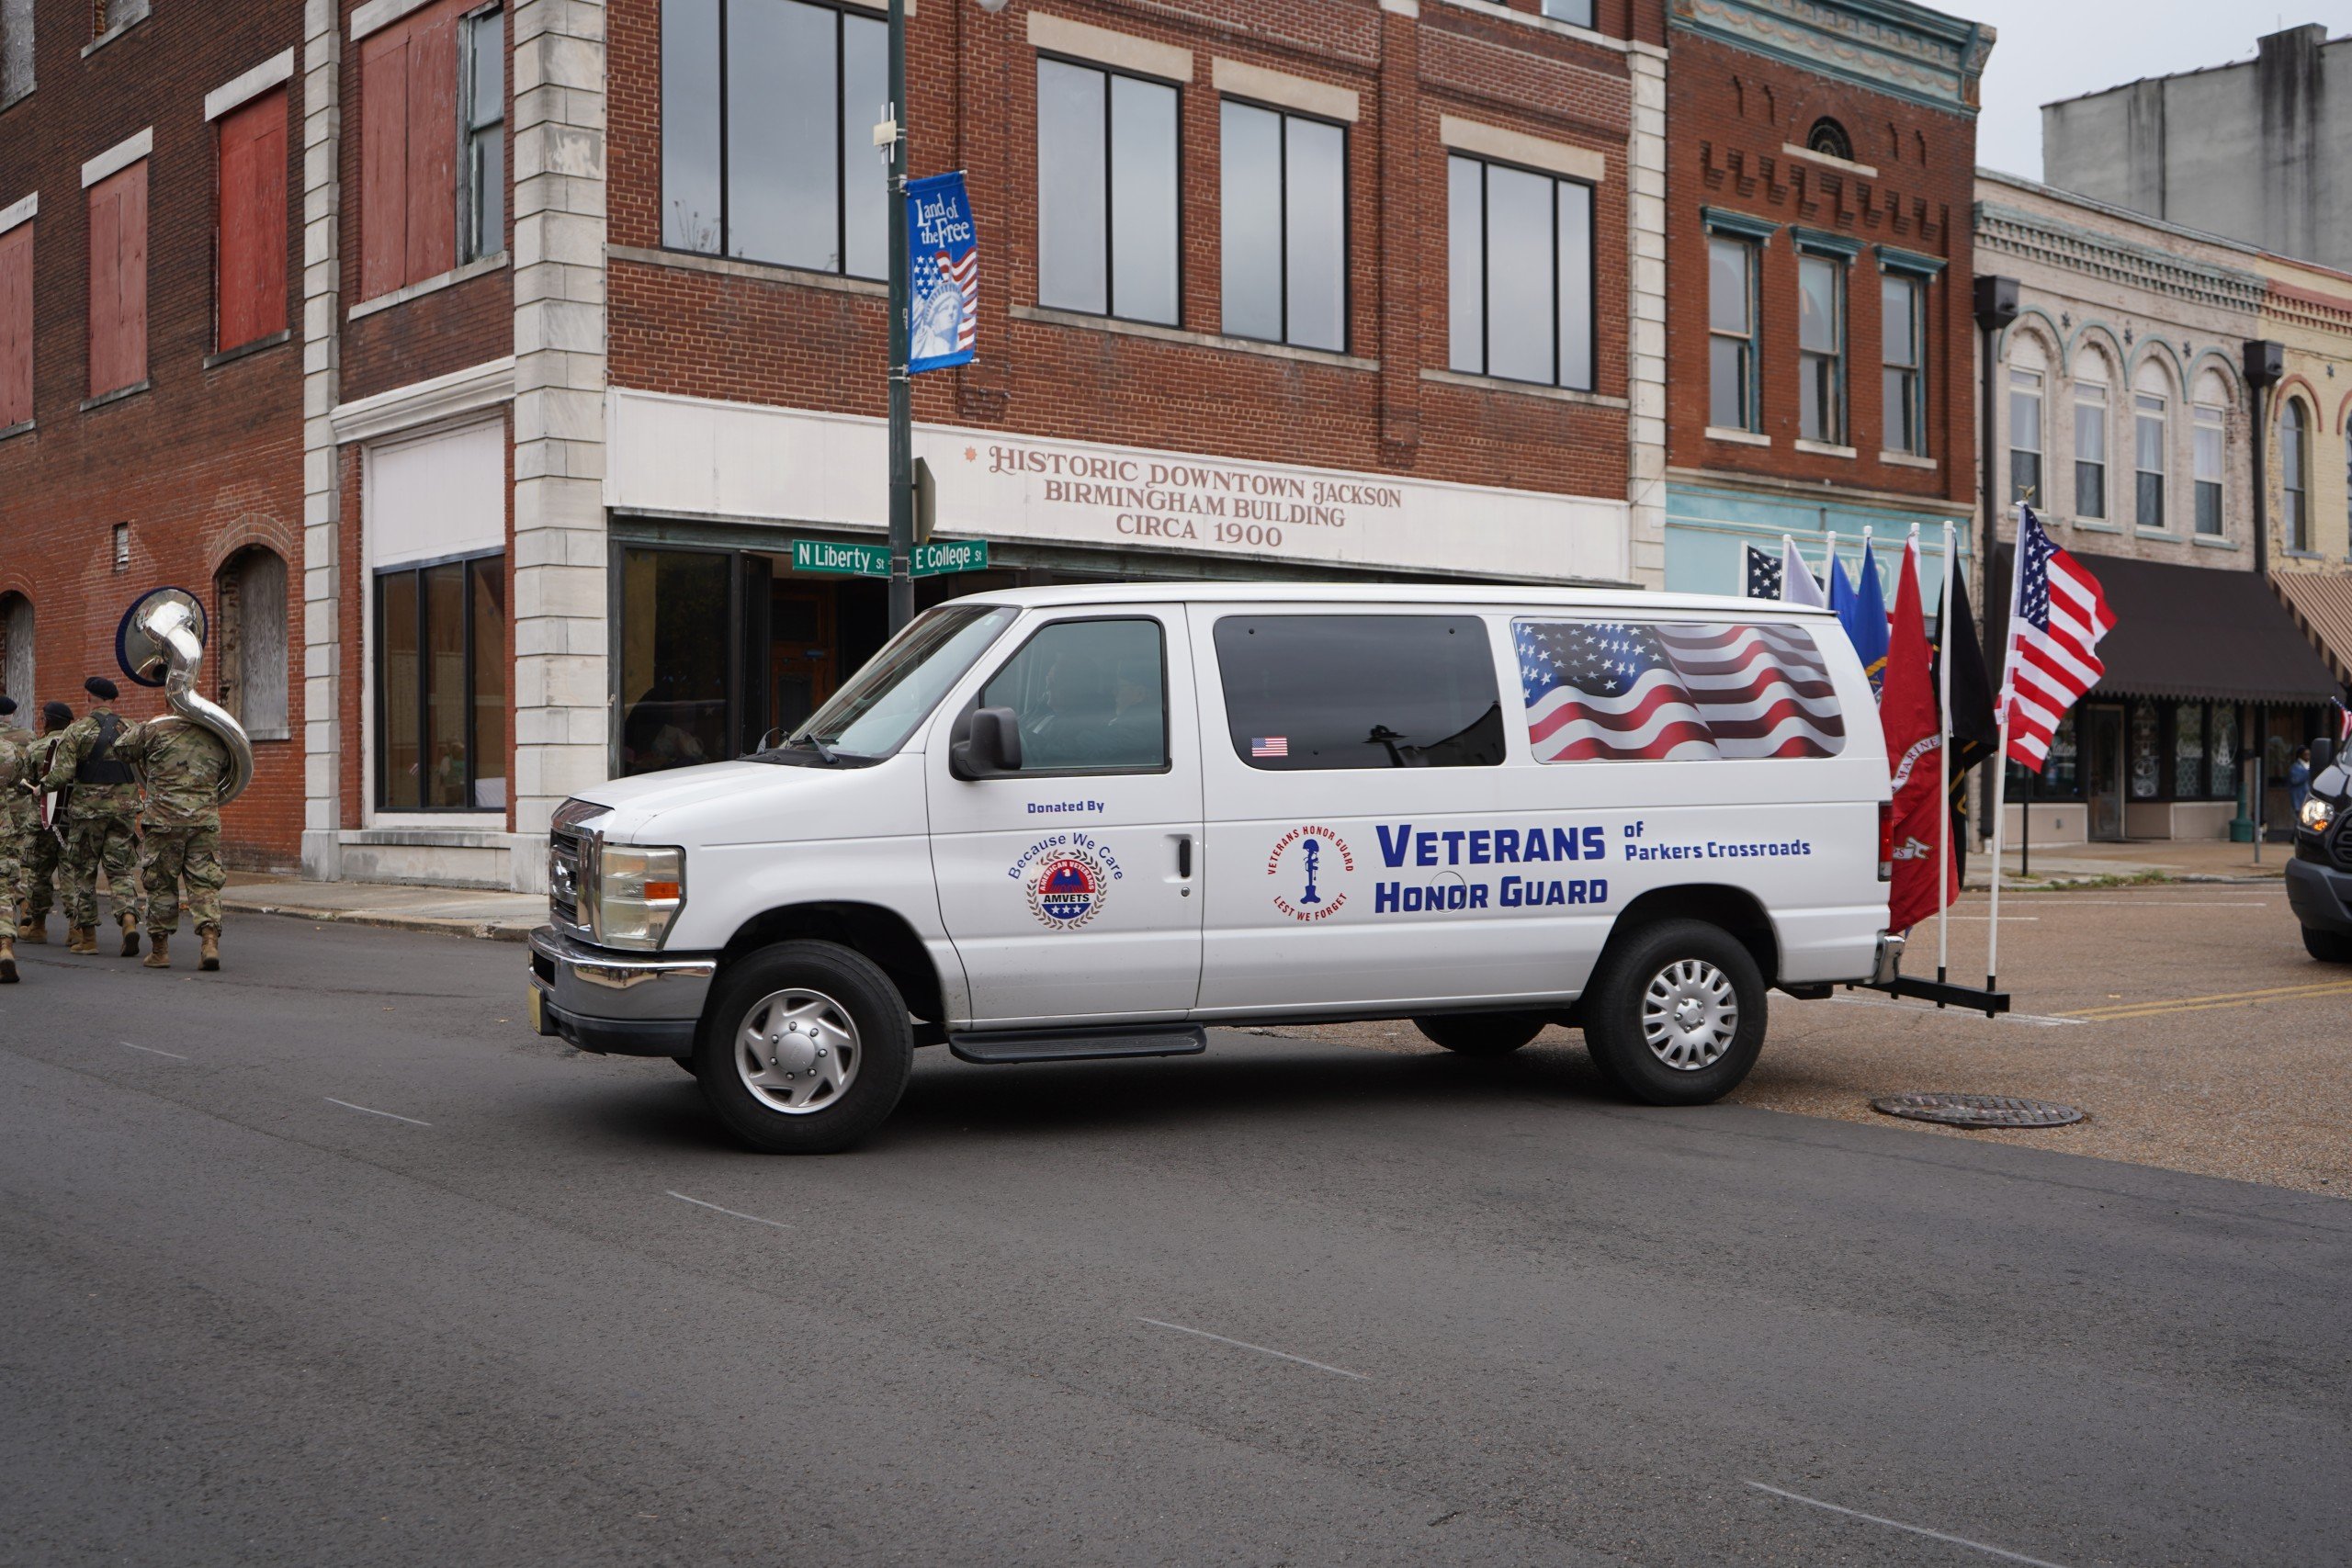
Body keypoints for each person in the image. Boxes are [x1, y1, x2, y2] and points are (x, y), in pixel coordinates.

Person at [114, 711, 232, 972]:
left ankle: (160, 951)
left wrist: (147, 726)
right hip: (203, 820)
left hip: (163, 821)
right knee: (205, 883)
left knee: (160, 884)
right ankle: (209, 944)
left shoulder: (155, 729)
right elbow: (230, 764)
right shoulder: (217, 730)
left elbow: (121, 749)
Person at [40, 678, 145, 957]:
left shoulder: (76, 730)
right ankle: (129, 922)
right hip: (124, 808)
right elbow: (143, 767)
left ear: (89, 698)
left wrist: (42, 787)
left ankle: (88, 939)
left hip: (88, 811)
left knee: (83, 873)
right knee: (120, 869)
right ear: (112, 700)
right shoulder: (133, 728)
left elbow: (62, 775)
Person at [17, 701, 73, 942]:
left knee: (39, 873)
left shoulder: (36, 748)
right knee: (72, 873)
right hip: (71, 819)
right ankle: (78, 929)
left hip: (41, 820)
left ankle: (38, 926)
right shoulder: (76, 746)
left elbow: (24, 783)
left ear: (46, 721)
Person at [0, 699, 25, 983]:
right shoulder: (10, 750)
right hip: (3, 826)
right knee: (3, 887)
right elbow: (17, 780)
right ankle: (5, 944)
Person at [2290, 745, 2313, 817]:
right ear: (2300, 755)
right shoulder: (2295, 767)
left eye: (2309, 754)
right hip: (2300, 799)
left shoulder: (2310, 765)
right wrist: (2308, 772)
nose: (2308, 756)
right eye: (2306, 754)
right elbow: (2295, 780)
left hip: (2310, 799)